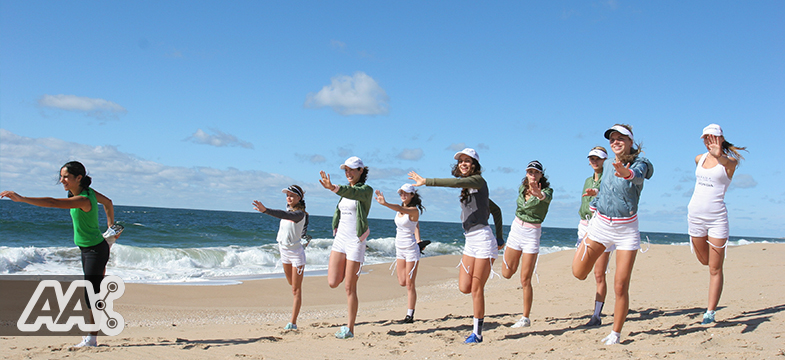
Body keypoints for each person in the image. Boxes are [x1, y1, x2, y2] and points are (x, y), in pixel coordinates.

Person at [1, 161, 116, 348]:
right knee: (93, 292)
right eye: (61, 176)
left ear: (79, 178)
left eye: (66, 177)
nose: (61, 180)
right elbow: (108, 203)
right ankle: (92, 335)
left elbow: (52, 203)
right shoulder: (80, 193)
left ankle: (92, 339)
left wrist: (22, 199)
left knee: (92, 295)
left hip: (95, 250)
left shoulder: (84, 198)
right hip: (90, 248)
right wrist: (110, 228)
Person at [409, 148, 504, 344]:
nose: (463, 163)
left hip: (484, 240)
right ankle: (477, 326)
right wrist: (501, 238)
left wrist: (427, 181)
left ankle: (477, 333)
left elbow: (456, 182)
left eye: (467, 161)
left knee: (477, 288)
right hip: (470, 241)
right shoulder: (468, 189)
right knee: (464, 287)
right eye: (461, 161)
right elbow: (496, 209)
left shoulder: (478, 181)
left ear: (475, 165)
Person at [571, 125, 654, 345]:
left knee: (620, 284)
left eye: (620, 138)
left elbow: (638, 175)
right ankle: (584, 242)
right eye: (612, 139)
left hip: (626, 230)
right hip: (601, 225)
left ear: (630, 141)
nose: (615, 142)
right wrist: (596, 197)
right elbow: (609, 189)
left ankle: (615, 333)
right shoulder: (607, 165)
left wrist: (627, 172)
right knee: (578, 272)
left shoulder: (641, 162)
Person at [687, 124, 746, 325]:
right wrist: (711, 154)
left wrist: (718, 155)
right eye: (706, 137)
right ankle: (711, 267)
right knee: (704, 261)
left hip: (717, 220)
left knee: (715, 268)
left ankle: (710, 313)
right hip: (695, 217)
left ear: (721, 139)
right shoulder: (699, 159)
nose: (709, 141)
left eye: (713, 137)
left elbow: (727, 163)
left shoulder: (729, 162)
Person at [319, 156, 373, 339]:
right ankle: (350, 272)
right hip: (340, 239)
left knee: (350, 287)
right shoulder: (344, 192)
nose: (348, 173)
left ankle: (350, 328)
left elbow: (354, 194)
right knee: (333, 282)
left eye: (352, 170)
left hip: (355, 242)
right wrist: (336, 190)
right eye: (346, 170)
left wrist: (333, 188)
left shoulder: (366, 190)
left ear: (361, 171)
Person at [502, 160, 553, 329]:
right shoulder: (521, 188)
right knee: (507, 273)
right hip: (516, 229)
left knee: (525, 279)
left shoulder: (546, 191)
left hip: (532, 233)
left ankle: (525, 317)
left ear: (541, 175)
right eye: (530, 172)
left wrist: (538, 195)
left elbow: (545, 198)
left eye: (536, 172)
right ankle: (516, 261)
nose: (532, 174)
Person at [252, 185, 311, 331]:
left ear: (299, 198)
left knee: (296, 290)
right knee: (292, 287)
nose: (289, 197)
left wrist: (266, 210)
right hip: (284, 252)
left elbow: (285, 216)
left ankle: (293, 322)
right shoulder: (289, 211)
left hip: (296, 255)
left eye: (292, 195)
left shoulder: (299, 215)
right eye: (287, 195)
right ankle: (295, 311)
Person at [375, 184, 426, 324]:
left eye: (406, 193)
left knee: (410, 284)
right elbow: (416, 225)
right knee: (402, 281)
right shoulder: (401, 211)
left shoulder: (414, 210)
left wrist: (385, 203)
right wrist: (419, 239)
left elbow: (400, 208)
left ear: (412, 195)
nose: (403, 195)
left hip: (411, 250)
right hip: (400, 249)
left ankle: (410, 315)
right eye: (401, 193)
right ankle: (410, 313)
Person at [577, 146, 615, 327]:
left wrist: (599, 194)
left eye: (598, 159)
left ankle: (596, 315)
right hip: (584, 225)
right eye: (591, 158)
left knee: (599, 274)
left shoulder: (610, 178)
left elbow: (611, 198)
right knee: (580, 272)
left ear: (605, 160)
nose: (594, 161)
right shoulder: (587, 180)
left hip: (600, 226)